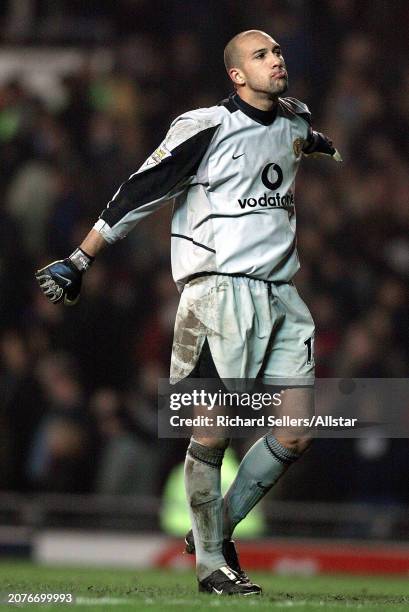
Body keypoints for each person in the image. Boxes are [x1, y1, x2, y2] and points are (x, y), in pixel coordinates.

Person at [36, 30, 341, 596]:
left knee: (296, 433)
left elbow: (305, 139)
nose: (276, 60)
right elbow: (140, 190)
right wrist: (80, 259)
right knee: (214, 430)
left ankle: (214, 531)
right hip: (217, 296)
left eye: (277, 52)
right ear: (235, 74)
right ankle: (210, 566)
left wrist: (325, 146)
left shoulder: (295, 122)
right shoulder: (205, 127)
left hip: (281, 296)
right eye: (261, 55)